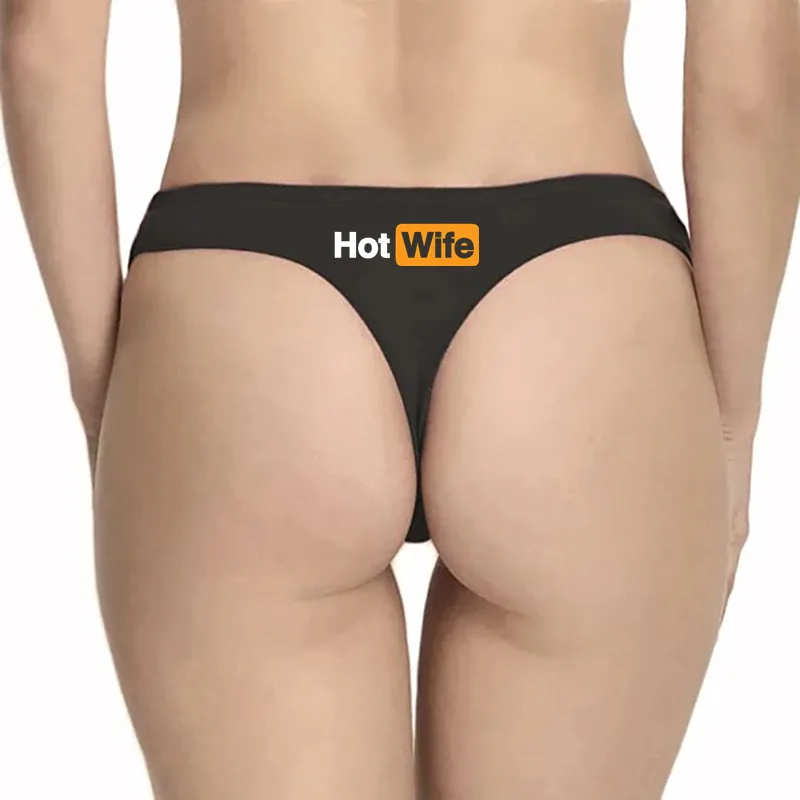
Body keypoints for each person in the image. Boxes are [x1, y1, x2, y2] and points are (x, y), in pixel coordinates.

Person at [2, 1, 798, 797]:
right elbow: (751, 82)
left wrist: (106, 401)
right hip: (574, 291)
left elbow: (41, 45)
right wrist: (731, 427)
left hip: (251, 299)